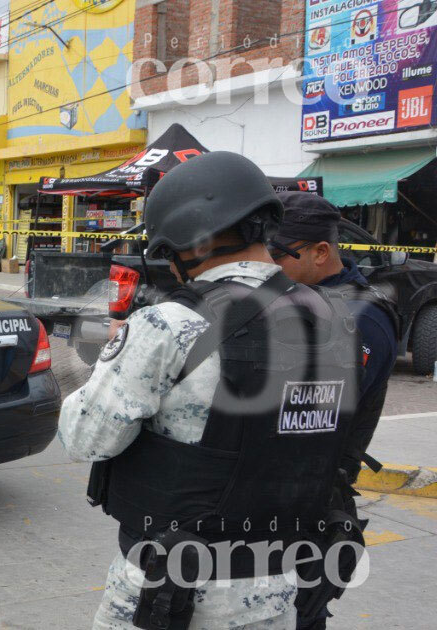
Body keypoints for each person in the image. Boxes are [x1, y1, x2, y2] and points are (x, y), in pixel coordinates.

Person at [61, 152, 362, 629]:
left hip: (171, 594)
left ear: (182, 241)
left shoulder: (169, 325)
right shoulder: (334, 320)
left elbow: (85, 439)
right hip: (281, 590)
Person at [271, 192, 399, 629]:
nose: (265, 265)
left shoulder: (360, 316)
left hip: (308, 510)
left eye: (276, 254)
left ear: (321, 252)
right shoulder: (294, 298)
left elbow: (306, 414)